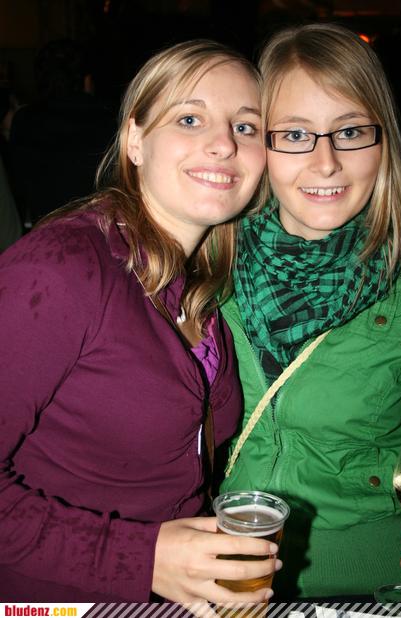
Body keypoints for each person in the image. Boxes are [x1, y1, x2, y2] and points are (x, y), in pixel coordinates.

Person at [0, 39, 281, 605]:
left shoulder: (205, 285)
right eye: (189, 118)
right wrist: (141, 558)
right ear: (134, 139)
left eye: (245, 127)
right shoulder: (62, 269)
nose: (224, 143)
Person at [220, 23, 401, 599]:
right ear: (258, 142)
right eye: (296, 134)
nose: (326, 163)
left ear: (382, 140)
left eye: (350, 131)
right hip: (221, 577)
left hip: (372, 585)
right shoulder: (206, 263)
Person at [8, 39, 116, 226]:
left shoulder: (25, 120)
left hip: (44, 230)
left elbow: (17, 183)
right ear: (87, 80)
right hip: (98, 229)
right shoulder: (108, 118)